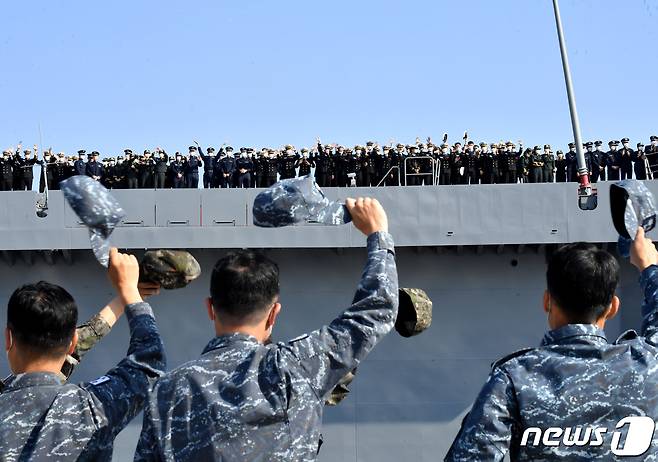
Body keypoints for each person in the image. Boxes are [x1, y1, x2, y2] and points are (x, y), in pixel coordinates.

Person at [134, 197, 398, 461]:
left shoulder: (166, 390)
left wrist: (131, 298)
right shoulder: (299, 366)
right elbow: (376, 311)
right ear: (274, 313)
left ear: (210, 308)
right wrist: (378, 234)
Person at [445, 229, 658, 460]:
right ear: (612, 307)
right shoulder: (650, 363)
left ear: (547, 301)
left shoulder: (514, 378)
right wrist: (649, 266)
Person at [0, 249, 166, 461]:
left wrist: (124, 299)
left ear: (8, 339)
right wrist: (129, 295)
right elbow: (149, 363)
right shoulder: (93, 407)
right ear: (72, 343)